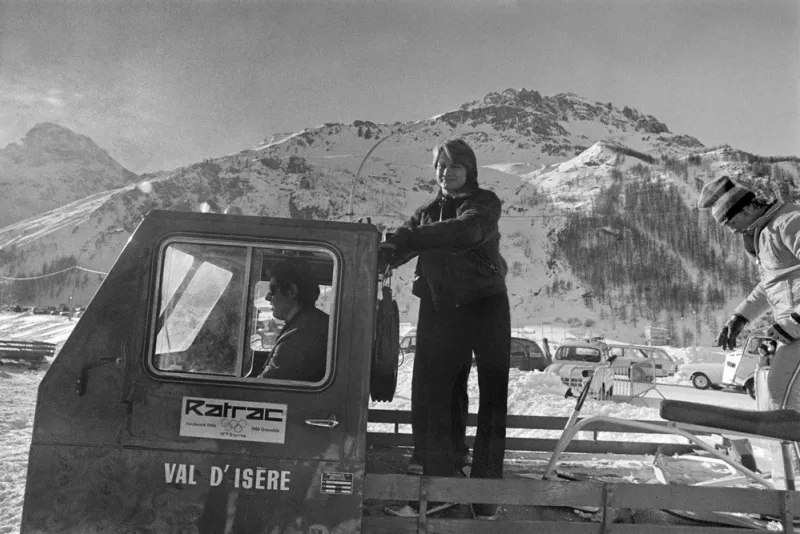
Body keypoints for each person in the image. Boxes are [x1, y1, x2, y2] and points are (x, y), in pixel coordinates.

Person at [382, 138, 510, 518]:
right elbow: (401, 246)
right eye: (440, 165)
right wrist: (386, 249)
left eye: (454, 165)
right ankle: (437, 489)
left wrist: (410, 237)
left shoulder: (483, 204)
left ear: (469, 170)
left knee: (492, 398)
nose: (445, 172)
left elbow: (466, 232)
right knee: (430, 394)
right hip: (441, 308)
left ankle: (485, 495)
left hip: (485, 306)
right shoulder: (424, 213)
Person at [700, 175, 800, 415]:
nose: (733, 230)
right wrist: (741, 317)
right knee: (776, 398)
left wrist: (796, 321)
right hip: (794, 330)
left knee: (781, 400)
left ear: (747, 207)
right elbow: (771, 285)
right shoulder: (766, 232)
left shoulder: (789, 222)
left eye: (730, 221)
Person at [257, 259, 329, 382]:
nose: (267, 297)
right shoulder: (308, 323)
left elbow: (266, 386)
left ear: (292, 292)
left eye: (272, 291)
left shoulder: (301, 335)